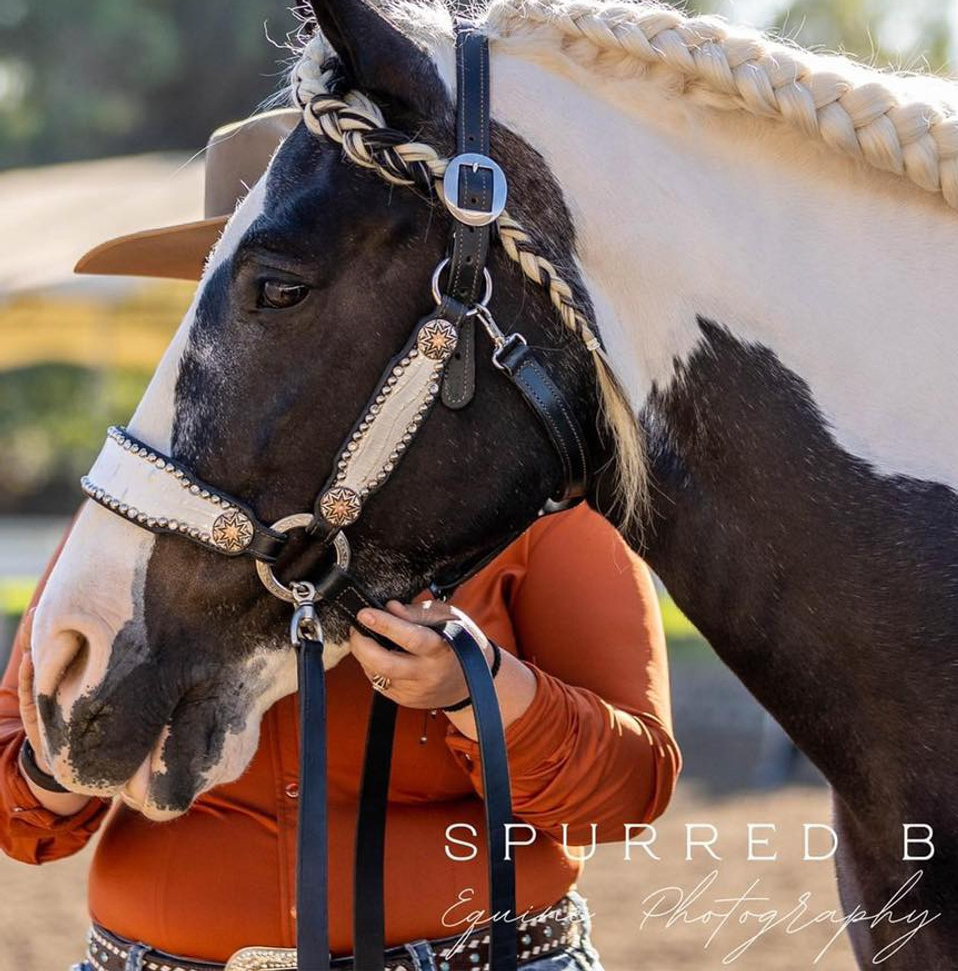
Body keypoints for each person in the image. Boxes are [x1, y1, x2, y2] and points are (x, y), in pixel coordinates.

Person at [0, 111, 681, 971]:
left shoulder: (534, 502)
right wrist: (74, 751)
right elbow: (16, 808)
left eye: (277, 297)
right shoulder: (142, 505)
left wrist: (474, 689)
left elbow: (628, 793)